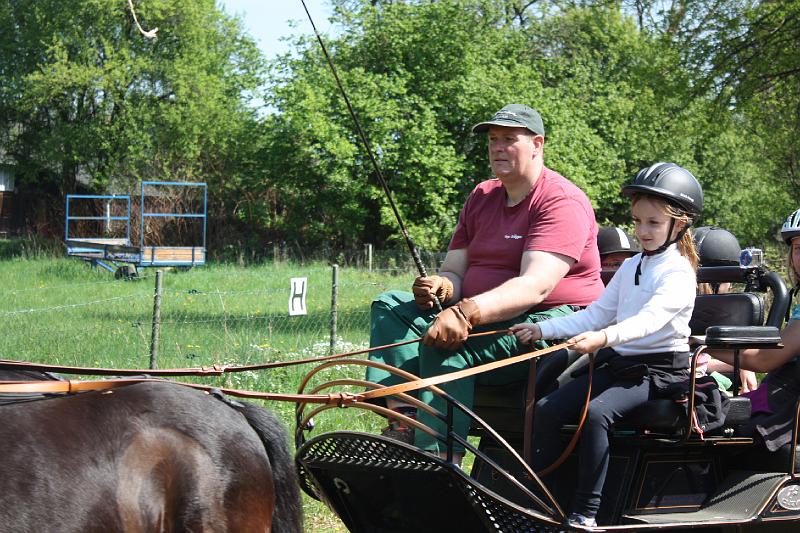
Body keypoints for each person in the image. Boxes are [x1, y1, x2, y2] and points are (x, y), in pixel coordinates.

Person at [365, 104, 605, 462]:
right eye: (493, 140)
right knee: (389, 306)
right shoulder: (482, 196)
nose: (498, 147)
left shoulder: (560, 201)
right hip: (488, 317)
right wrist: (440, 287)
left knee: (448, 343)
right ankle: (405, 417)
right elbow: (456, 272)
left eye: (510, 139)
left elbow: (534, 287)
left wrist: (465, 313)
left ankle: (439, 457)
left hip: (556, 326)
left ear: (537, 144)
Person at [510, 162, 703, 527]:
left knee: (596, 413)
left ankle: (586, 512)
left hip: (658, 371)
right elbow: (596, 314)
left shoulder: (678, 273)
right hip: (620, 365)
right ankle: (540, 502)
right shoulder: (632, 267)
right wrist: (544, 330)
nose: (642, 231)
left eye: (653, 223)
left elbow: (648, 322)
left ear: (679, 225)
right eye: (638, 221)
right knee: (548, 409)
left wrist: (603, 339)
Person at [706, 208, 800, 470]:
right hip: (784, 398)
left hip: (789, 411)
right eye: (798, 248)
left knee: (734, 446)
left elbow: (766, 358)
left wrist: (698, 344)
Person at [692, 226, 758, 392]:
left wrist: (743, 365)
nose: (730, 287)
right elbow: (695, 361)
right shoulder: (687, 309)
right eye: (728, 279)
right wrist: (743, 364)